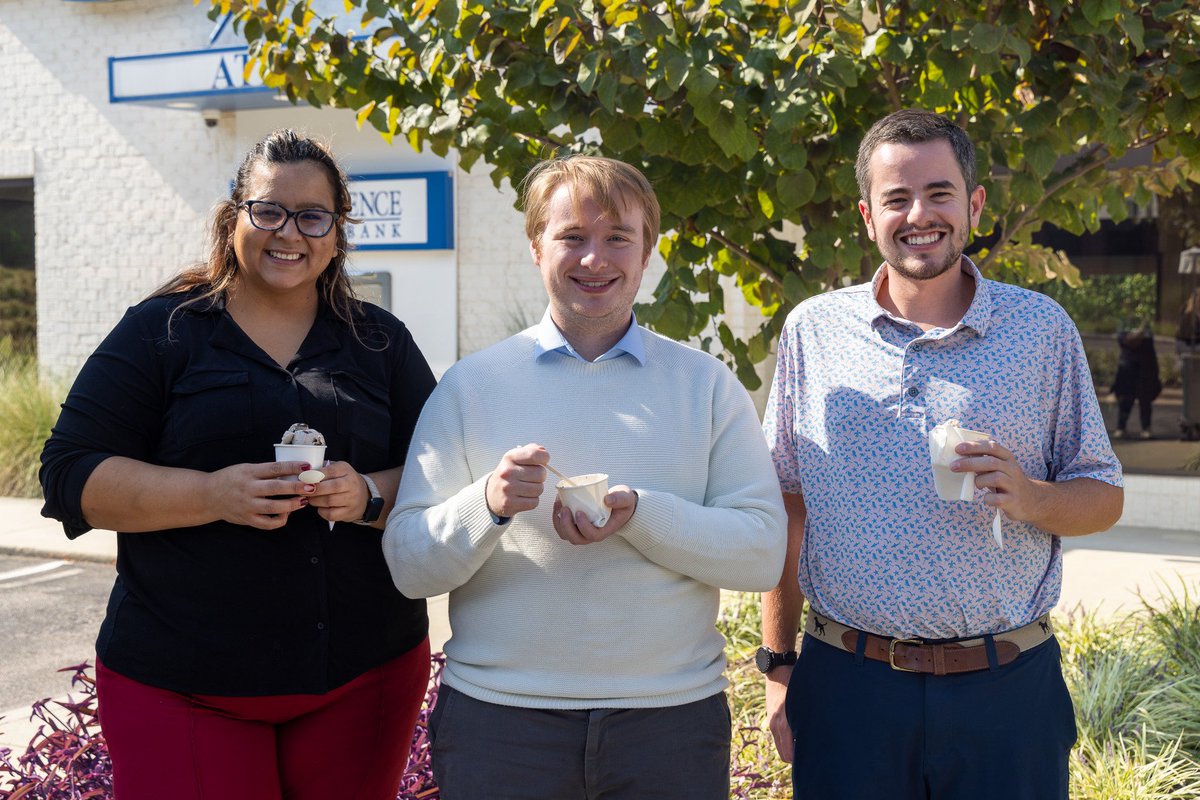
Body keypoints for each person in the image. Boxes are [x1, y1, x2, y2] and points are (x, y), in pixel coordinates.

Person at [39, 130, 437, 800]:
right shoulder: (162, 331)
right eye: (269, 211)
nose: (291, 232)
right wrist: (213, 494)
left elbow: (444, 470)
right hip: (183, 684)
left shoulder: (380, 342)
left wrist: (366, 493)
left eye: (313, 216)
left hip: (364, 674)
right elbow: (71, 474)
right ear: (235, 220)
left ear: (337, 232)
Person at [383, 154, 787, 798]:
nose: (594, 259)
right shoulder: (471, 386)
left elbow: (761, 555)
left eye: (617, 238)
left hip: (669, 724)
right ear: (536, 244)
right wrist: (486, 503)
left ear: (647, 251)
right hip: (501, 723)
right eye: (572, 236)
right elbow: (409, 566)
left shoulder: (705, 386)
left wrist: (641, 515)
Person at [759, 110, 1123, 799]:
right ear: (868, 215)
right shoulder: (813, 331)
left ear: (975, 205)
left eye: (939, 193)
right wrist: (780, 666)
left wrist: (1033, 496)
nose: (918, 215)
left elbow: (1103, 495)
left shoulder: (1041, 329)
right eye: (897, 198)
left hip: (1008, 692)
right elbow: (788, 503)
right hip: (848, 689)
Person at [1111, 318, 1162, 439]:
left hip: (1139, 370)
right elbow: (1128, 341)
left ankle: (1139, 427)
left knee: (1140, 401)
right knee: (1130, 401)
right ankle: (1126, 427)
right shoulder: (1133, 331)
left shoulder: (1141, 333)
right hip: (1133, 369)